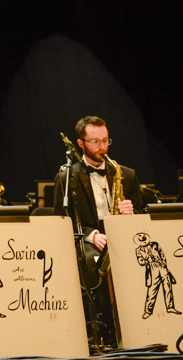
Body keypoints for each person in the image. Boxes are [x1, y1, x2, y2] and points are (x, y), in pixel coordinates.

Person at [53, 115, 144, 347]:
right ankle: (106, 327)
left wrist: (131, 213)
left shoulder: (127, 174)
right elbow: (62, 220)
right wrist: (92, 235)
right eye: (95, 142)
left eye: (105, 141)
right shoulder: (67, 177)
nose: (102, 147)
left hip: (124, 234)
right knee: (92, 260)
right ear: (80, 143)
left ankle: (141, 322)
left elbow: (144, 214)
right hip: (91, 239)